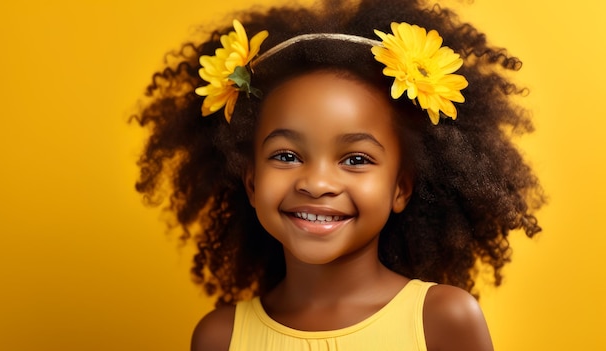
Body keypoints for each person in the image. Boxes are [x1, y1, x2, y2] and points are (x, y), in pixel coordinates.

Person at [133, 0, 544, 349]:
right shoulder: (220, 337)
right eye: (287, 155)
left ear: (401, 187)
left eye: (356, 160)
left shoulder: (443, 321)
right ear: (252, 182)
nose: (317, 183)